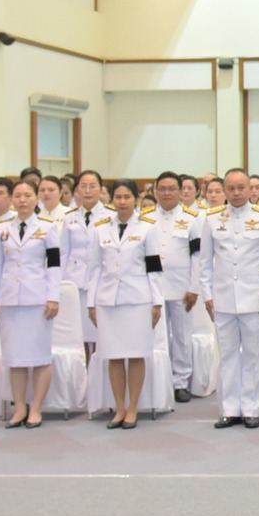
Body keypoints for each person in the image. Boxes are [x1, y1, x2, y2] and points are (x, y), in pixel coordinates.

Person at [199, 168, 259, 429]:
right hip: (222, 298)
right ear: (224, 190)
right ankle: (230, 409)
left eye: (241, 187)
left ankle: (251, 409)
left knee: (253, 355)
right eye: (231, 188)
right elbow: (205, 263)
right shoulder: (211, 219)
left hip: (254, 298)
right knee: (228, 356)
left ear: (250, 189)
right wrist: (207, 294)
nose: (236, 193)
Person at [85, 180, 164, 430]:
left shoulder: (148, 227)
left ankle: (133, 408)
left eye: (127, 197)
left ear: (135, 199)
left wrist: (157, 302)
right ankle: (119, 407)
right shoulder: (100, 229)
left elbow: (154, 268)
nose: (122, 202)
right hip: (108, 301)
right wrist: (91, 302)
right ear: (112, 199)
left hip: (138, 299)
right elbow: (95, 268)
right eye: (117, 197)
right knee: (114, 356)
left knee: (137, 354)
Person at [0, 179, 63, 428]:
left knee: (39, 356)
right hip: (10, 300)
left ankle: (36, 407)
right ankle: (19, 407)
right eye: (17, 196)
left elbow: (54, 265)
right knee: (14, 357)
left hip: (37, 299)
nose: (22, 200)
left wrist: (53, 297)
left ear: (36, 198)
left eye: (27, 195)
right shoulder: (1, 229)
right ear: (11, 200)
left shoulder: (48, 228)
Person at [151, 171, 206, 402]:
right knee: (156, 336)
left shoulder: (192, 218)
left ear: (181, 191)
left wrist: (194, 287)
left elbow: (198, 256)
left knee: (182, 335)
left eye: (171, 188)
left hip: (182, 287)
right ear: (154, 191)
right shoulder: (146, 218)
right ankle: (158, 380)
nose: (166, 193)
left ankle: (180, 381)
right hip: (154, 287)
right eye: (161, 189)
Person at [64, 170, 113, 358]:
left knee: (100, 334)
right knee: (80, 335)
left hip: (100, 281)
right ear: (77, 190)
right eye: (83, 186)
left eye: (92, 186)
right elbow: (64, 252)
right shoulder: (70, 217)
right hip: (75, 281)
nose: (88, 190)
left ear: (101, 189)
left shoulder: (110, 215)